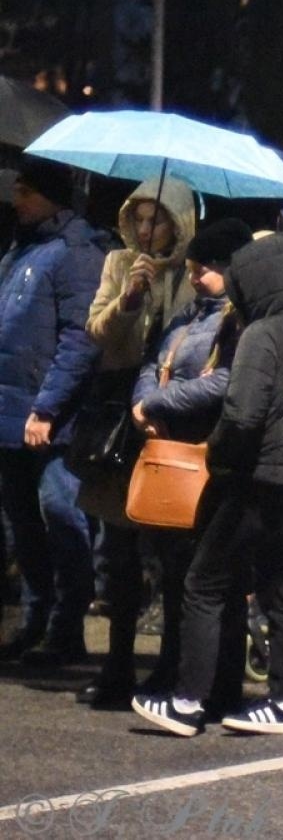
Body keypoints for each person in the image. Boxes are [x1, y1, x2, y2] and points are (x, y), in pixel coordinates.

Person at [133, 233, 283, 737]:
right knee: (280, 586)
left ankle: (187, 701)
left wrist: (219, 456)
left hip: (256, 478)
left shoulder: (260, 334)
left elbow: (242, 415)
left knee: (203, 582)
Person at [99, 219, 252, 712]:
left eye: (205, 268)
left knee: (206, 575)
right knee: (171, 568)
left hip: (209, 455)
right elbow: (152, 361)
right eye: (191, 267)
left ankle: (211, 680)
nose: (195, 276)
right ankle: (171, 665)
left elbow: (225, 381)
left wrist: (160, 402)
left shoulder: (237, 320)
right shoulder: (188, 314)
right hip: (168, 451)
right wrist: (143, 402)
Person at [77, 175, 197, 700]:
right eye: (140, 219)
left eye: (158, 220)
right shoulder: (119, 262)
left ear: (179, 222)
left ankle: (171, 666)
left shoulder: (194, 270)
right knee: (118, 549)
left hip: (171, 419)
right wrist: (129, 299)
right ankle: (117, 666)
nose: (147, 230)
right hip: (118, 416)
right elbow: (97, 332)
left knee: (172, 550)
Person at [0, 158, 106, 664]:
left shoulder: (76, 253)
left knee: (61, 517)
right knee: (22, 524)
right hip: (11, 412)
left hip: (51, 419)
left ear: (51, 197)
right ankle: (35, 620)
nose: (16, 199)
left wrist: (46, 408)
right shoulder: (22, 249)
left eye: (26, 191)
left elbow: (79, 341)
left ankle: (66, 630)